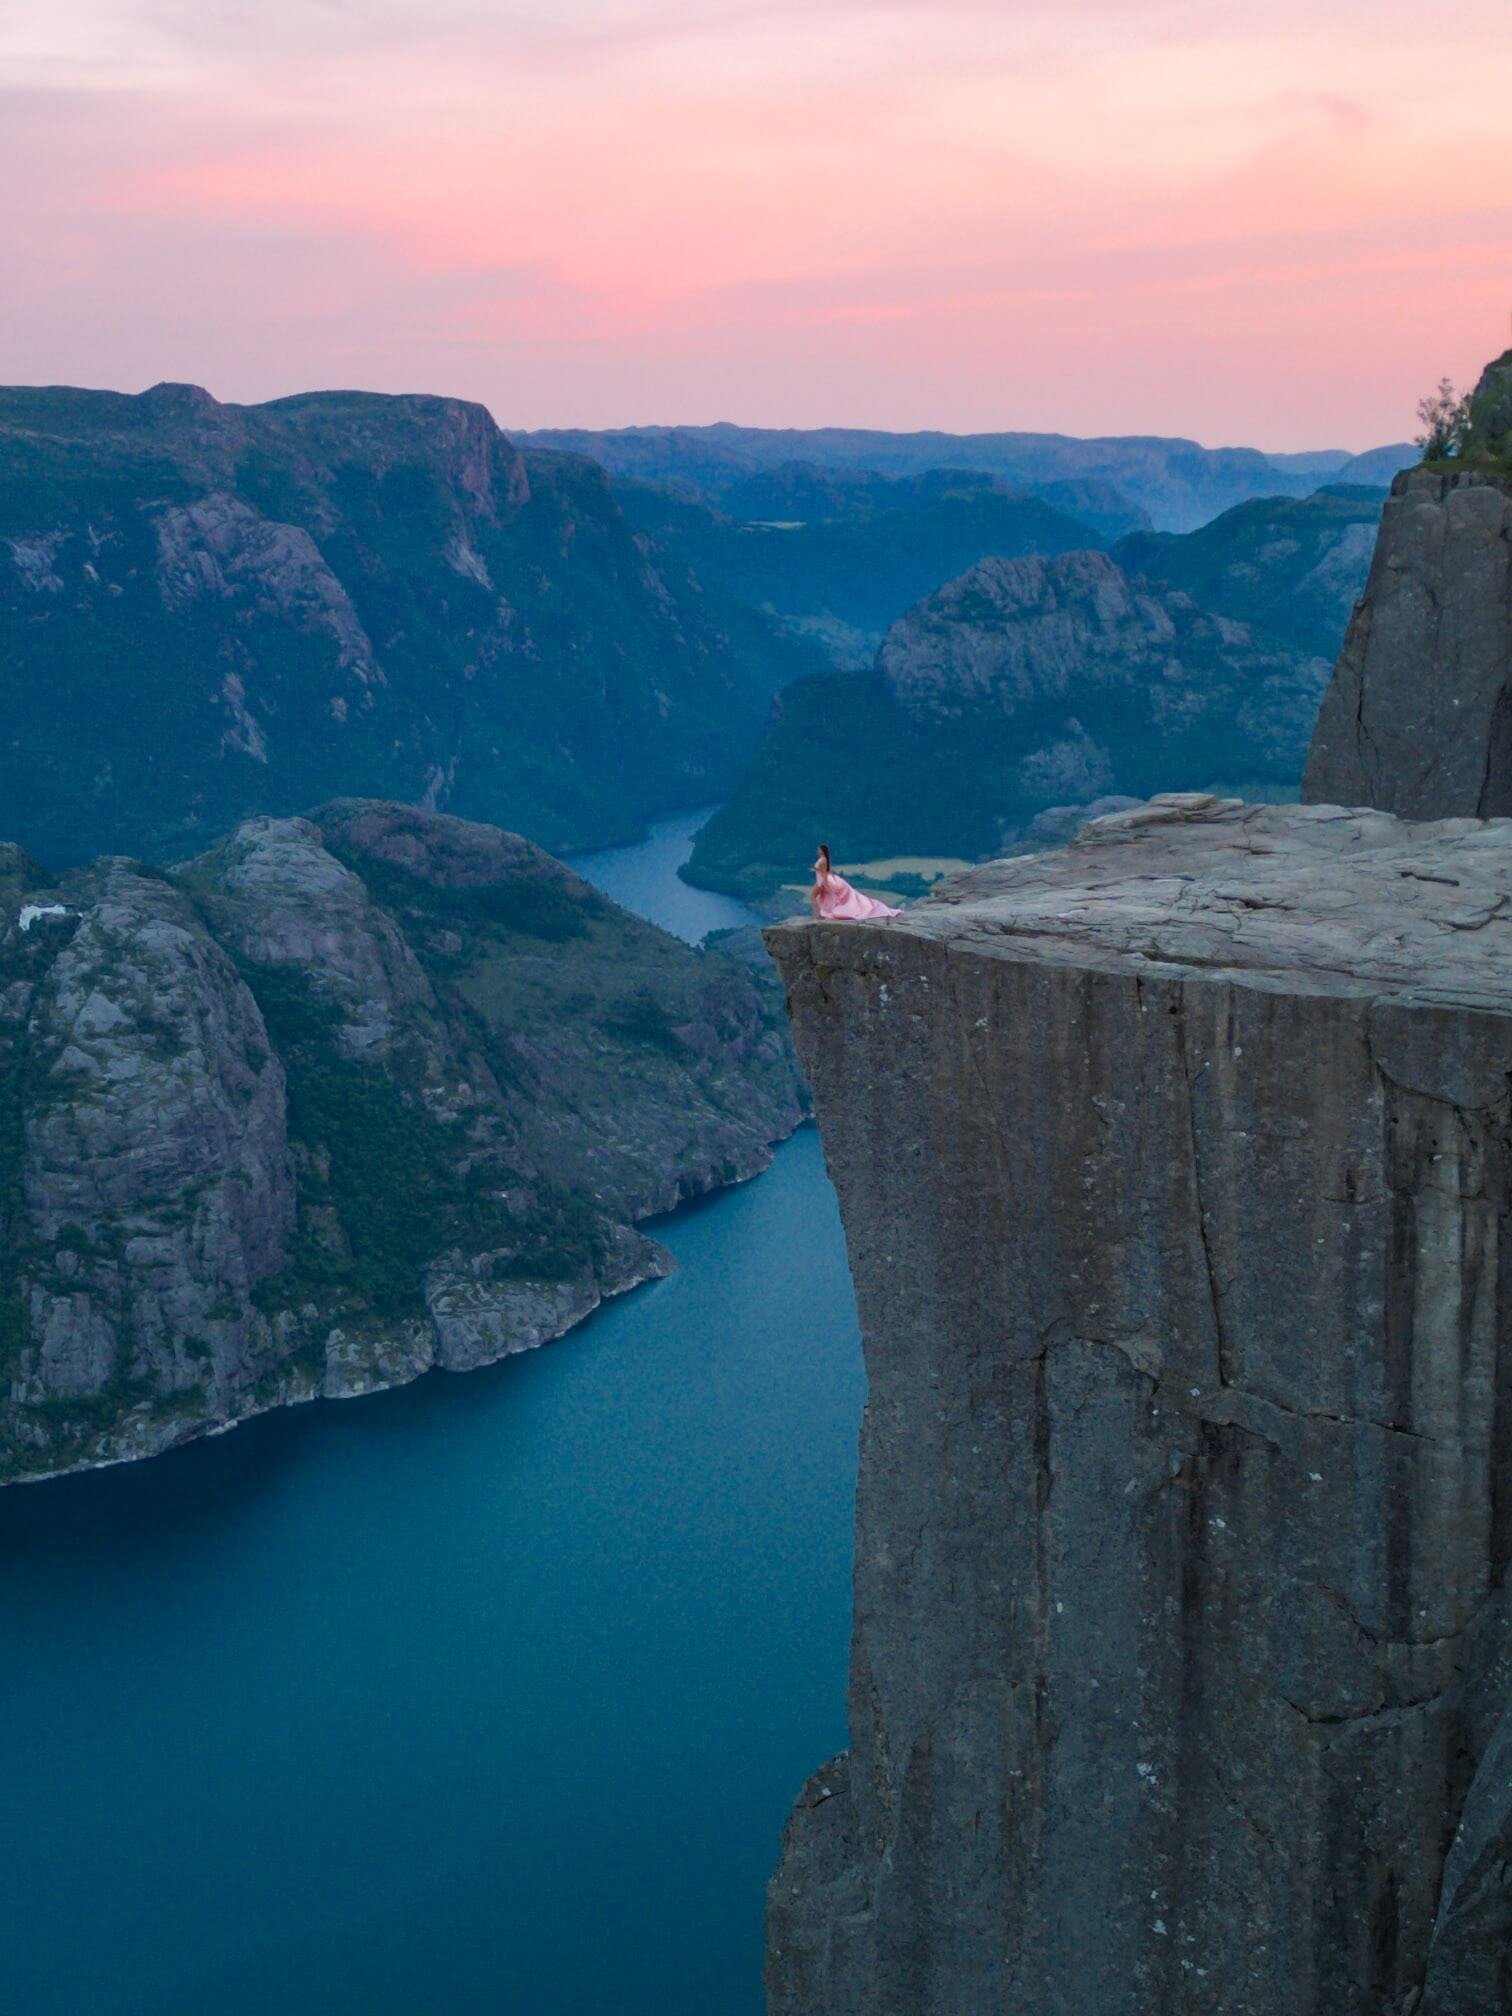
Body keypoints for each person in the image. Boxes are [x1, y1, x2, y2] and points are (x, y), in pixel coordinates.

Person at [809, 844, 901, 921]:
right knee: (816, 896)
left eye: (819, 849)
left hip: (823, 879)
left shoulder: (823, 860)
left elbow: (823, 872)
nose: (817, 851)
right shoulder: (824, 859)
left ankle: (817, 914)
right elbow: (826, 870)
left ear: (822, 850)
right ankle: (819, 913)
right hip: (823, 879)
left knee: (813, 896)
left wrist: (824, 882)